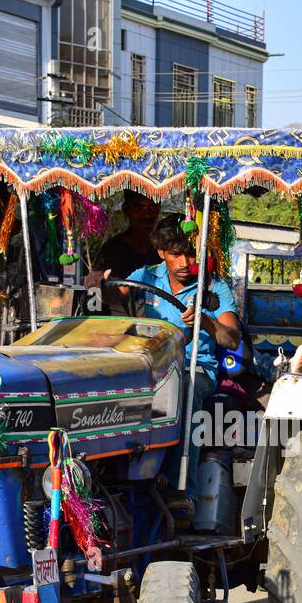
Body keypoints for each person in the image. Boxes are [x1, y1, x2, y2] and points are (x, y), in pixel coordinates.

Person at [117, 213, 242, 510]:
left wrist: (205, 322)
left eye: (191, 253)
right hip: (146, 365)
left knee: (181, 387)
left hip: (194, 366)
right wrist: (100, 283)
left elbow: (232, 339)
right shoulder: (145, 276)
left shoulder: (214, 287)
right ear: (162, 253)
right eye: (177, 254)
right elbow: (114, 294)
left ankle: (182, 490)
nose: (186, 262)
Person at [84, 190, 162, 315]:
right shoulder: (112, 250)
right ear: (126, 209)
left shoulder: (165, 249)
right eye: (139, 207)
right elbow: (95, 292)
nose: (147, 213)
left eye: (152, 206)